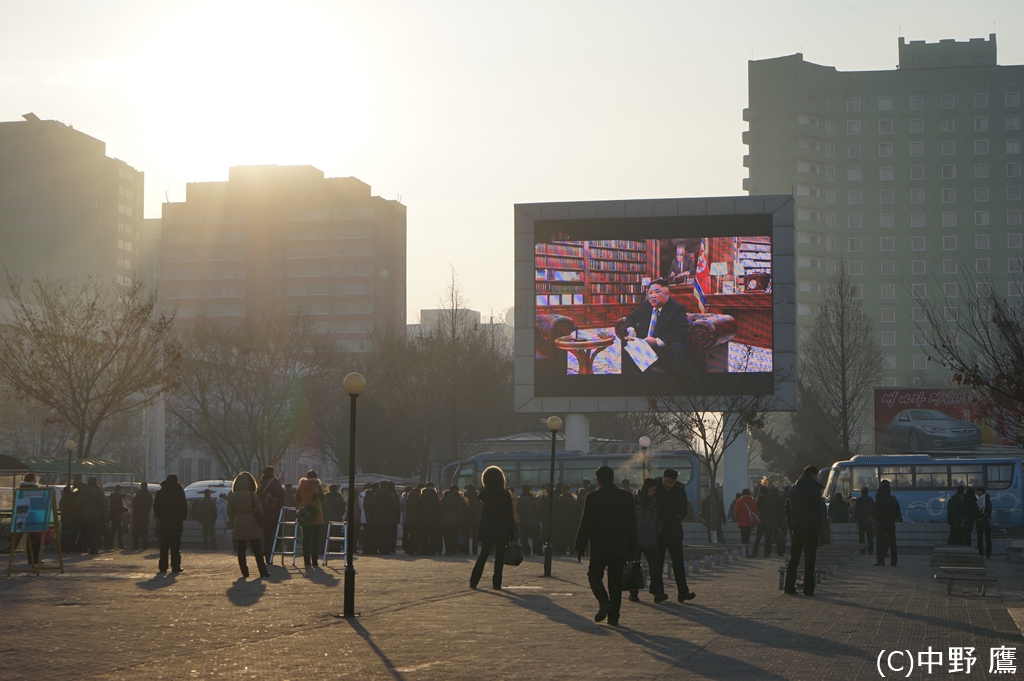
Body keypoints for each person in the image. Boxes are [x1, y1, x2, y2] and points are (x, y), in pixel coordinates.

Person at [574, 466, 637, 626]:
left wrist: (580, 545)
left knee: (594, 575)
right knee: (615, 581)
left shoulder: (593, 497)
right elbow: (632, 523)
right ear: (613, 478)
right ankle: (614, 617)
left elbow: (586, 522)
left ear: (598, 480)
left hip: (599, 545)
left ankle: (604, 601)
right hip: (620, 545)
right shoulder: (626, 496)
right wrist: (632, 546)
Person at [614, 279, 690, 374]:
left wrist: (656, 341)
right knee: (628, 341)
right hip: (644, 346)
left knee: (678, 347)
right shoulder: (646, 305)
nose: (652, 296)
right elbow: (630, 317)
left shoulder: (677, 309)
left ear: (667, 293)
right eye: (650, 293)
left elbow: (679, 332)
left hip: (664, 349)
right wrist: (631, 329)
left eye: (657, 292)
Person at [470, 466, 515, 590]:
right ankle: (497, 583)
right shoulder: (505, 493)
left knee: (483, 555)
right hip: (502, 528)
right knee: (499, 557)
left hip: (487, 527)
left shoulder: (484, 493)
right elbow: (509, 513)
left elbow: (478, 507)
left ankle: (474, 580)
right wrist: (512, 531)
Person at [654, 468, 696, 603]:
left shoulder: (679, 491)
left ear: (675, 482)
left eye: (670, 483)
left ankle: (683, 592)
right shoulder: (655, 488)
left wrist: (677, 518)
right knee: (657, 564)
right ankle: (658, 592)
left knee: (678, 563)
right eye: (666, 482)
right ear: (662, 478)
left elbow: (684, 509)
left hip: (674, 531)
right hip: (658, 531)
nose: (667, 485)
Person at [783, 465, 826, 596]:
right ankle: (808, 589)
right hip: (810, 528)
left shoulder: (793, 489)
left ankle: (789, 586)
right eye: (816, 475)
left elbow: (787, 508)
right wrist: (818, 528)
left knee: (794, 557)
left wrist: (791, 524)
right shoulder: (814, 489)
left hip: (796, 527)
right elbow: (816, 511)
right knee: (810, 559)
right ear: (813, 475)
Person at [629, 478, 667, 603]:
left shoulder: (656, 502)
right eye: (651, 490)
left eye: (654, 490)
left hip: (651, 539)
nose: (653, 493)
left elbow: (660, 519)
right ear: (645, 489)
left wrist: (657, 531)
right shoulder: (633, 500)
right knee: (634, 566)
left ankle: (658, 592)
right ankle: (633, 592)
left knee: (655, 567)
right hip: (636, 539)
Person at [227, 471, 269, 579]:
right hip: (252, 523)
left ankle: (245, 572)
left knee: (241, 550)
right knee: (257, 549)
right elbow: (259, 509)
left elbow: (230, 511)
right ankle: (263, 570)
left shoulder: (233, 495)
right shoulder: (252, 494)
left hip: (239, 522)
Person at [152, 474, 188, 573]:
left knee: (164, 547)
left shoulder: (160, 492)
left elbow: (156, 507)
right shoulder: (179, 492)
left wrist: (161, 517)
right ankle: (175, 566)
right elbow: (184, 507)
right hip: (176, 523)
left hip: (164, 523)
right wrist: (182, 518)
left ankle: (163, 567)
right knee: (175, 547)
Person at [295, 470, 326, 567]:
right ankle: (315, 561)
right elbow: (323, 499)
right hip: (316, 514)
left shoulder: (301, 486)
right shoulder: (317, 486)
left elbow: (296, 499)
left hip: (305, 515)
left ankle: (306, 561)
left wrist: (304, 503)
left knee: (306, 539)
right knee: (315, 539)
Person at [13, 473, 43, 562]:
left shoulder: (21, 489)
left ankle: (30, 558)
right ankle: (35, 557)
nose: (36, 480)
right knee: (37, 537)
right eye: (35, 478)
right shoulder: (35, 489)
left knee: (29, 537)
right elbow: (38, 503)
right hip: (33, 515)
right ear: (31, 480)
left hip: (23, 515)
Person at [257, 467, 285, 563]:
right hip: (274, 512)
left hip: (263, 513)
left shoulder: (260, 483)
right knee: (279, 534)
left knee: (266, 535)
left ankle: (268, 558)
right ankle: (269, 551)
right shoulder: (275, 482)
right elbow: (281, 495)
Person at [873, 480, 901, 567]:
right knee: (893, 543)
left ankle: (881, 561)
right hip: (891, 523)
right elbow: (897, 512)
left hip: (881, 524)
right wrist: (892, 517)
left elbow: (876, 513)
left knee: (880, 543)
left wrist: (878, 520)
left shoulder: (879, 500)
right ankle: (894, 561)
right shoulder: (893, 500)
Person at [752, 486, 783, 558]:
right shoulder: (771, 499)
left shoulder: (759, 499)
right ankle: (767, 553)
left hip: (761, 521)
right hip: (770, 521)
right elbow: (774, 512)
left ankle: (754, 552)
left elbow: (757, 509)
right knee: (768, 538)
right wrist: (775, 522)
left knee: (758, 538)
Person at [80, 477, 107, 555]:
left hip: (87, 515)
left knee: (89, 533)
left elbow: (79, 503)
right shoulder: (99, 491)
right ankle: (94, 549)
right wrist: (105, 515)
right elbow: (102, 505)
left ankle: (89, 547)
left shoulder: (83, 491)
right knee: (96, 533)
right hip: (97, 515)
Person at [375, 481, 401, 555]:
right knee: (387, 535)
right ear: (386, 486)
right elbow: (395, 507)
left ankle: (380, 549)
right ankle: (386, 550)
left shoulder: (376, 494)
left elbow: (373, 505)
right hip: (389, 517)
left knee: (380, 534)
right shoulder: (391, 495)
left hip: (378, 517)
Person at [439, 485, 466, 555]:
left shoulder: (445, 498)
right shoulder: (458, 499)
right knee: (453, 535)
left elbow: (441, 509)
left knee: (446, 536)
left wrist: (440, 518)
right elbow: (460, 511)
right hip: (455, 520)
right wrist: (461, 520)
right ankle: (453, 549)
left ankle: (447, 550)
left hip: (445, 519)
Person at [517, 484, 542, 556]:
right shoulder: (534, 499)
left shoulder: (519, 499)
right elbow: (537, 510)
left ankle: (526, 550)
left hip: (523, 520)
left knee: (524, 537)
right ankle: (536, 550)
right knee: (535, 537)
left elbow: (518, 509)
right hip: (533, 520)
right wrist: (539, 519)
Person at [734, 488, 760, 553]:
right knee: (748, 537)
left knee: (743, 537)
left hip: (742, 522)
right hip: (750, 522)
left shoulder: (739, 501)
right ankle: (747, 551)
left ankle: (744, 551)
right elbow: (756, 511)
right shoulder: (752, 501)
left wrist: (738, 519)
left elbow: (737, 512)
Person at [852, 486, 875, 556]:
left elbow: (856, 511)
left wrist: (857, 519)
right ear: (867, 492)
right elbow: (874, 509)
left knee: (861, 537)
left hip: (861, 521)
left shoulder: (858, 500)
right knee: (870, 536)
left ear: (861, 492)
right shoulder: (871, 500)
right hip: (869, 520)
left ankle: (862, 550)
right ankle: (870, 550)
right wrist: (872, 518)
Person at [105, 484, 128, 550]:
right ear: (118, 490)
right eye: (121, 490)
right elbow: (118, 507)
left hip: (114, 516)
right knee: (119, 531)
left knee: (113, 531)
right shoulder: (117, 498)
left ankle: (109, 544)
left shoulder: (114, 497)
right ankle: (120, 545)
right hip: (117, 516)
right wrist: (125, 509)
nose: (122, 491)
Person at [131, 482, 153, 550]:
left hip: (137, 515)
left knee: (136, 530)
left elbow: (134, 504)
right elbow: (150, 504)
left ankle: (136, 545)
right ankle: (144, 544)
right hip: (145, 514)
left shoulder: (138, 494)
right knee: (145, 530)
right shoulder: (149, 494)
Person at [463, 483, 482, 556]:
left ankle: (466, 550)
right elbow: (480, 507)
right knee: (475, 535)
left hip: (466, 517)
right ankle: (475, 550)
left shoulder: (464, 495)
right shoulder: (478, 495)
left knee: (466, 535)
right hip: (475, 517)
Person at [975, 486, 993, 559]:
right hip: (979, 522)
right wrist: (978, 517)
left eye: (980, 491)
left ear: (983, 492)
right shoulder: (975, 499)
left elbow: (989, 510)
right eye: (978, 491)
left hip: (986, 522)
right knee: (979, 539)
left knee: (988, 538)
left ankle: (988, 554)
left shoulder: (987, 499)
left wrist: (983, 517)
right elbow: (974, 510)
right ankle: (980, 553)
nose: (978, 493)